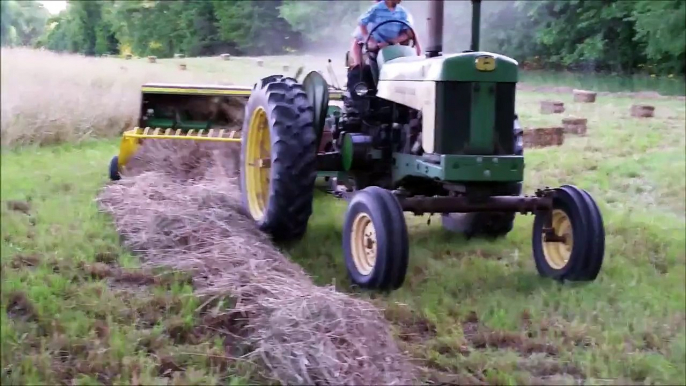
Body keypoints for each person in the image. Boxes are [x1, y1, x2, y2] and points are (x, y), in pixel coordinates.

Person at [349, 0, 421, 69]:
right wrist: (370, 41)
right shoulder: (375, 10)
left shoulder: (402, 12)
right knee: (362, 67)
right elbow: (361, 24)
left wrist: (390, 42)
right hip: (375, 47)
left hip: (393, 47)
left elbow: (410, 33)